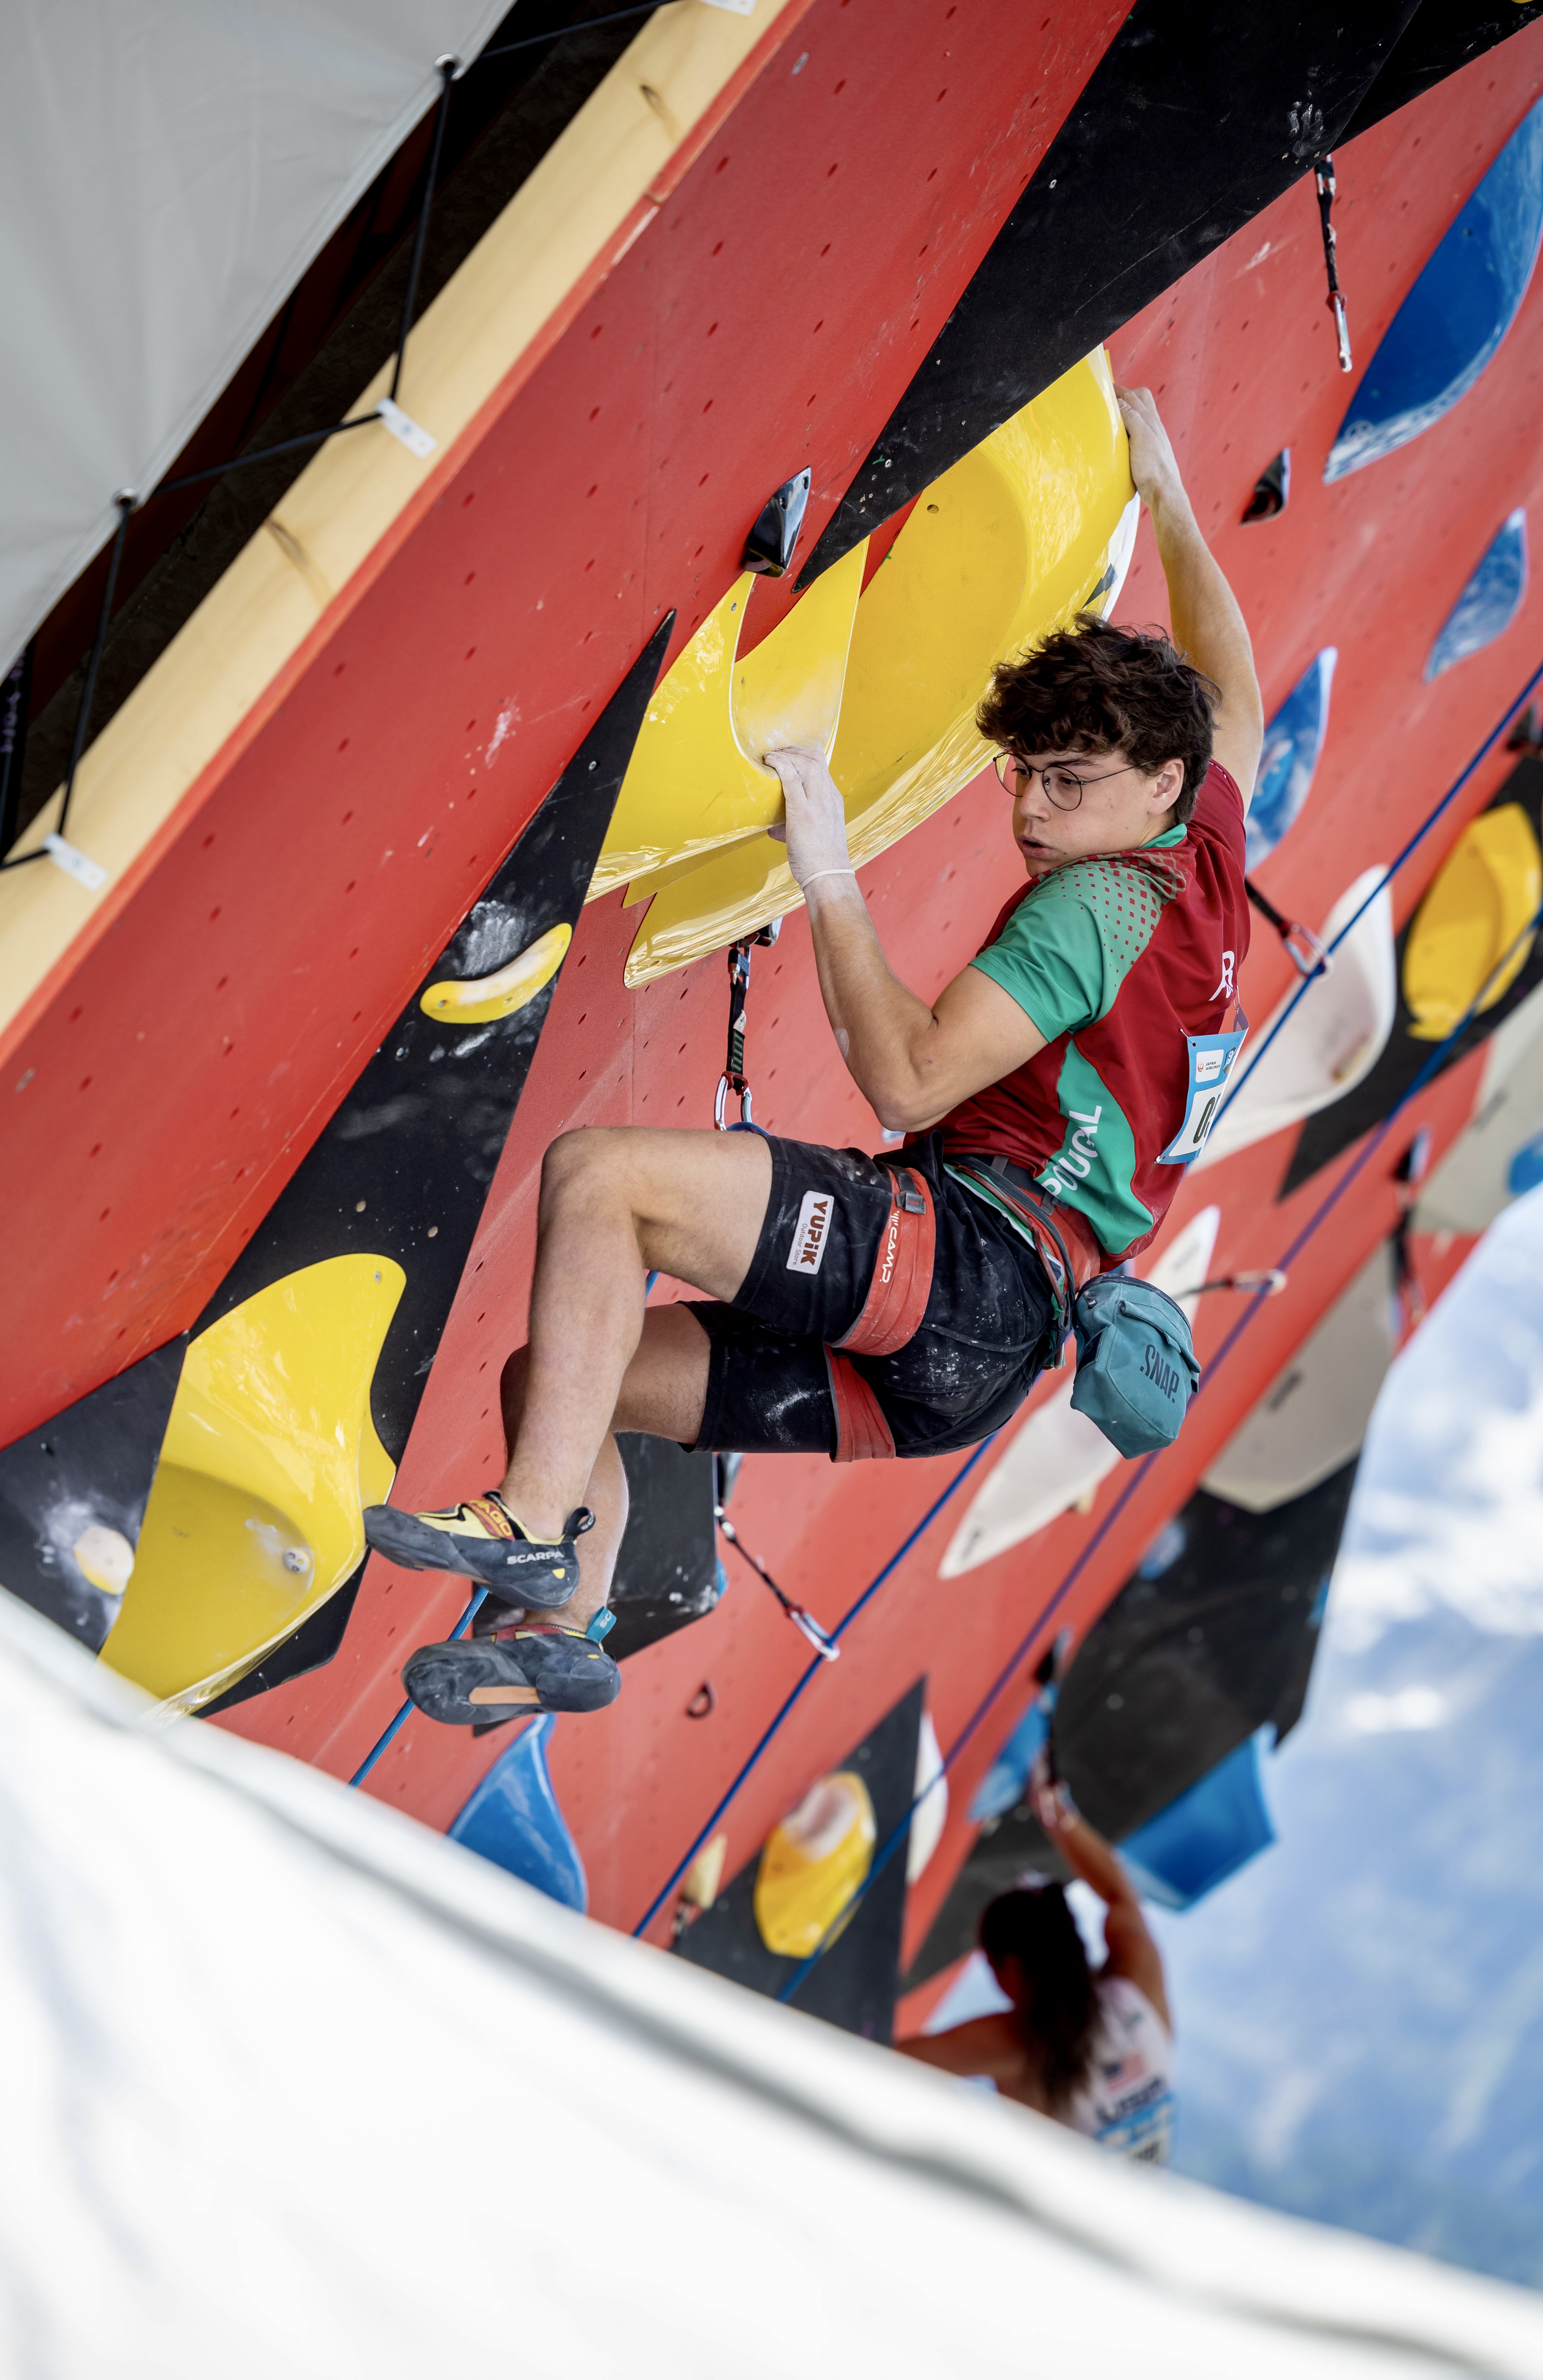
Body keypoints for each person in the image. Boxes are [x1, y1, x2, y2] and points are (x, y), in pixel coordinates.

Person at [365, 387, 1263, 1724]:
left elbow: (908, 1078)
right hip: (980, 1371)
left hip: (966, 1271)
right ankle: (553, 1628)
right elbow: (1233, 691)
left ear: (1159, 785)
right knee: (566, 1378)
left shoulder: (1097, 906)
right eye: (1023, 775)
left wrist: (827, 869)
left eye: (1068, 782)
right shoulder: (1208, 851)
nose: (1031, 811)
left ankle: (534, 1528)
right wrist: (1171, 499)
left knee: (602, 1178)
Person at [895, 1768, 1174, 2160]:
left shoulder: (1019, 2046)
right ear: (1075, 1945)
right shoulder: (1138, 1991)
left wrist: (1057, 1810)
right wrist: (1056, 1815)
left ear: (1009, 1969)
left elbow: (875, 2060)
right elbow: (1120, 1897)